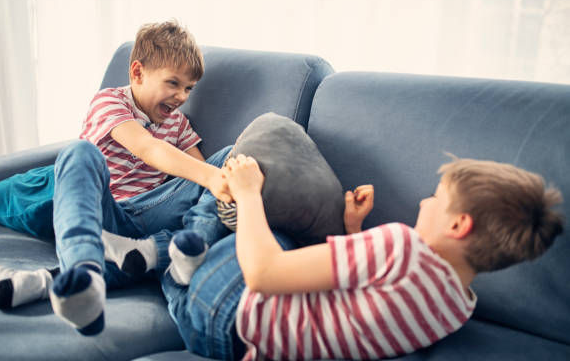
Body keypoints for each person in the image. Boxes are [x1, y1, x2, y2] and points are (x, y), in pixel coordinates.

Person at [0, 20, 234, 336]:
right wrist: (212, 177)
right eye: (173, 83)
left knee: (229, 157)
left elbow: (197, 185)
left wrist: (219, 177)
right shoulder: (110, 102)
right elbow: (147, 148)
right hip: (102, 213)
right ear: (138, 73)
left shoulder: (179, 125)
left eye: (188, 88)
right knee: (79, 152)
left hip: (141, 224)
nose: (181, 96)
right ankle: (84, 270)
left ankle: (171, 255)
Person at [153, 154, 564, 360]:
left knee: (263, 218)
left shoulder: (401, 246)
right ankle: (177, 267)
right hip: (231, 343)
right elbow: (360, 309)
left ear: (459, 225)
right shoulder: (457, 307)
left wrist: (246, 192)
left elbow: (262, 273)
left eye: (438, 199)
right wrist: (353, 230)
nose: (424, 200)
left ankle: (166, 261)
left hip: (226, 307)